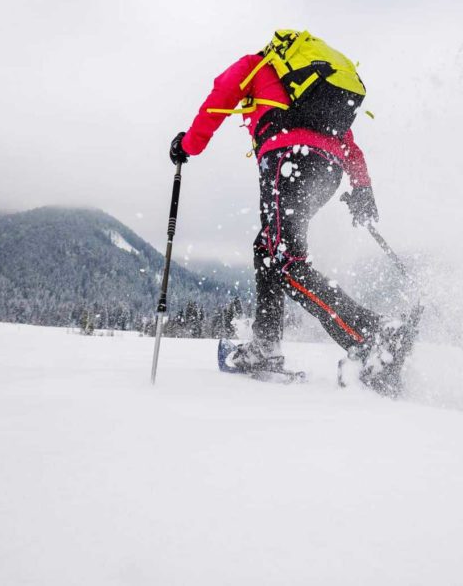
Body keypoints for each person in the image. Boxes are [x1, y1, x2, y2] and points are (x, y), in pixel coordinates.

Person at [169, 31, 415, 392]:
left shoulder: (255, 66)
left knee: (286, 262)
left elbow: (218, 100)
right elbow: (348, 143)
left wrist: (186, 145)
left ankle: (372, 335)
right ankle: (266, 344)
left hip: (288, 160)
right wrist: (362, 189)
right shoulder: (310, 89)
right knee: (267, 249)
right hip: (326, 170)